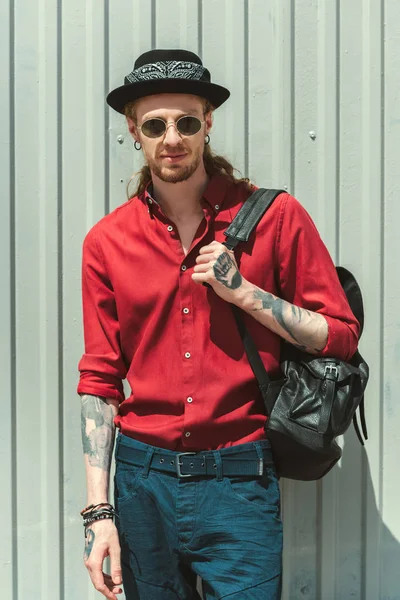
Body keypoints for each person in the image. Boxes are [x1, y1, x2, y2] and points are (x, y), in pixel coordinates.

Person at [77, 49, 359, 600]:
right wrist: (99, 513)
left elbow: (341, 334)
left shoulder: (275, 218)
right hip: (141, 484)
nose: (172, 137)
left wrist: (247, 294)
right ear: (133, 130)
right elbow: (100, 381)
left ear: (208, 122)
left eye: (186, 121)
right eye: (155, 125)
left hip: (240, 480)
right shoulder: (107, 242)